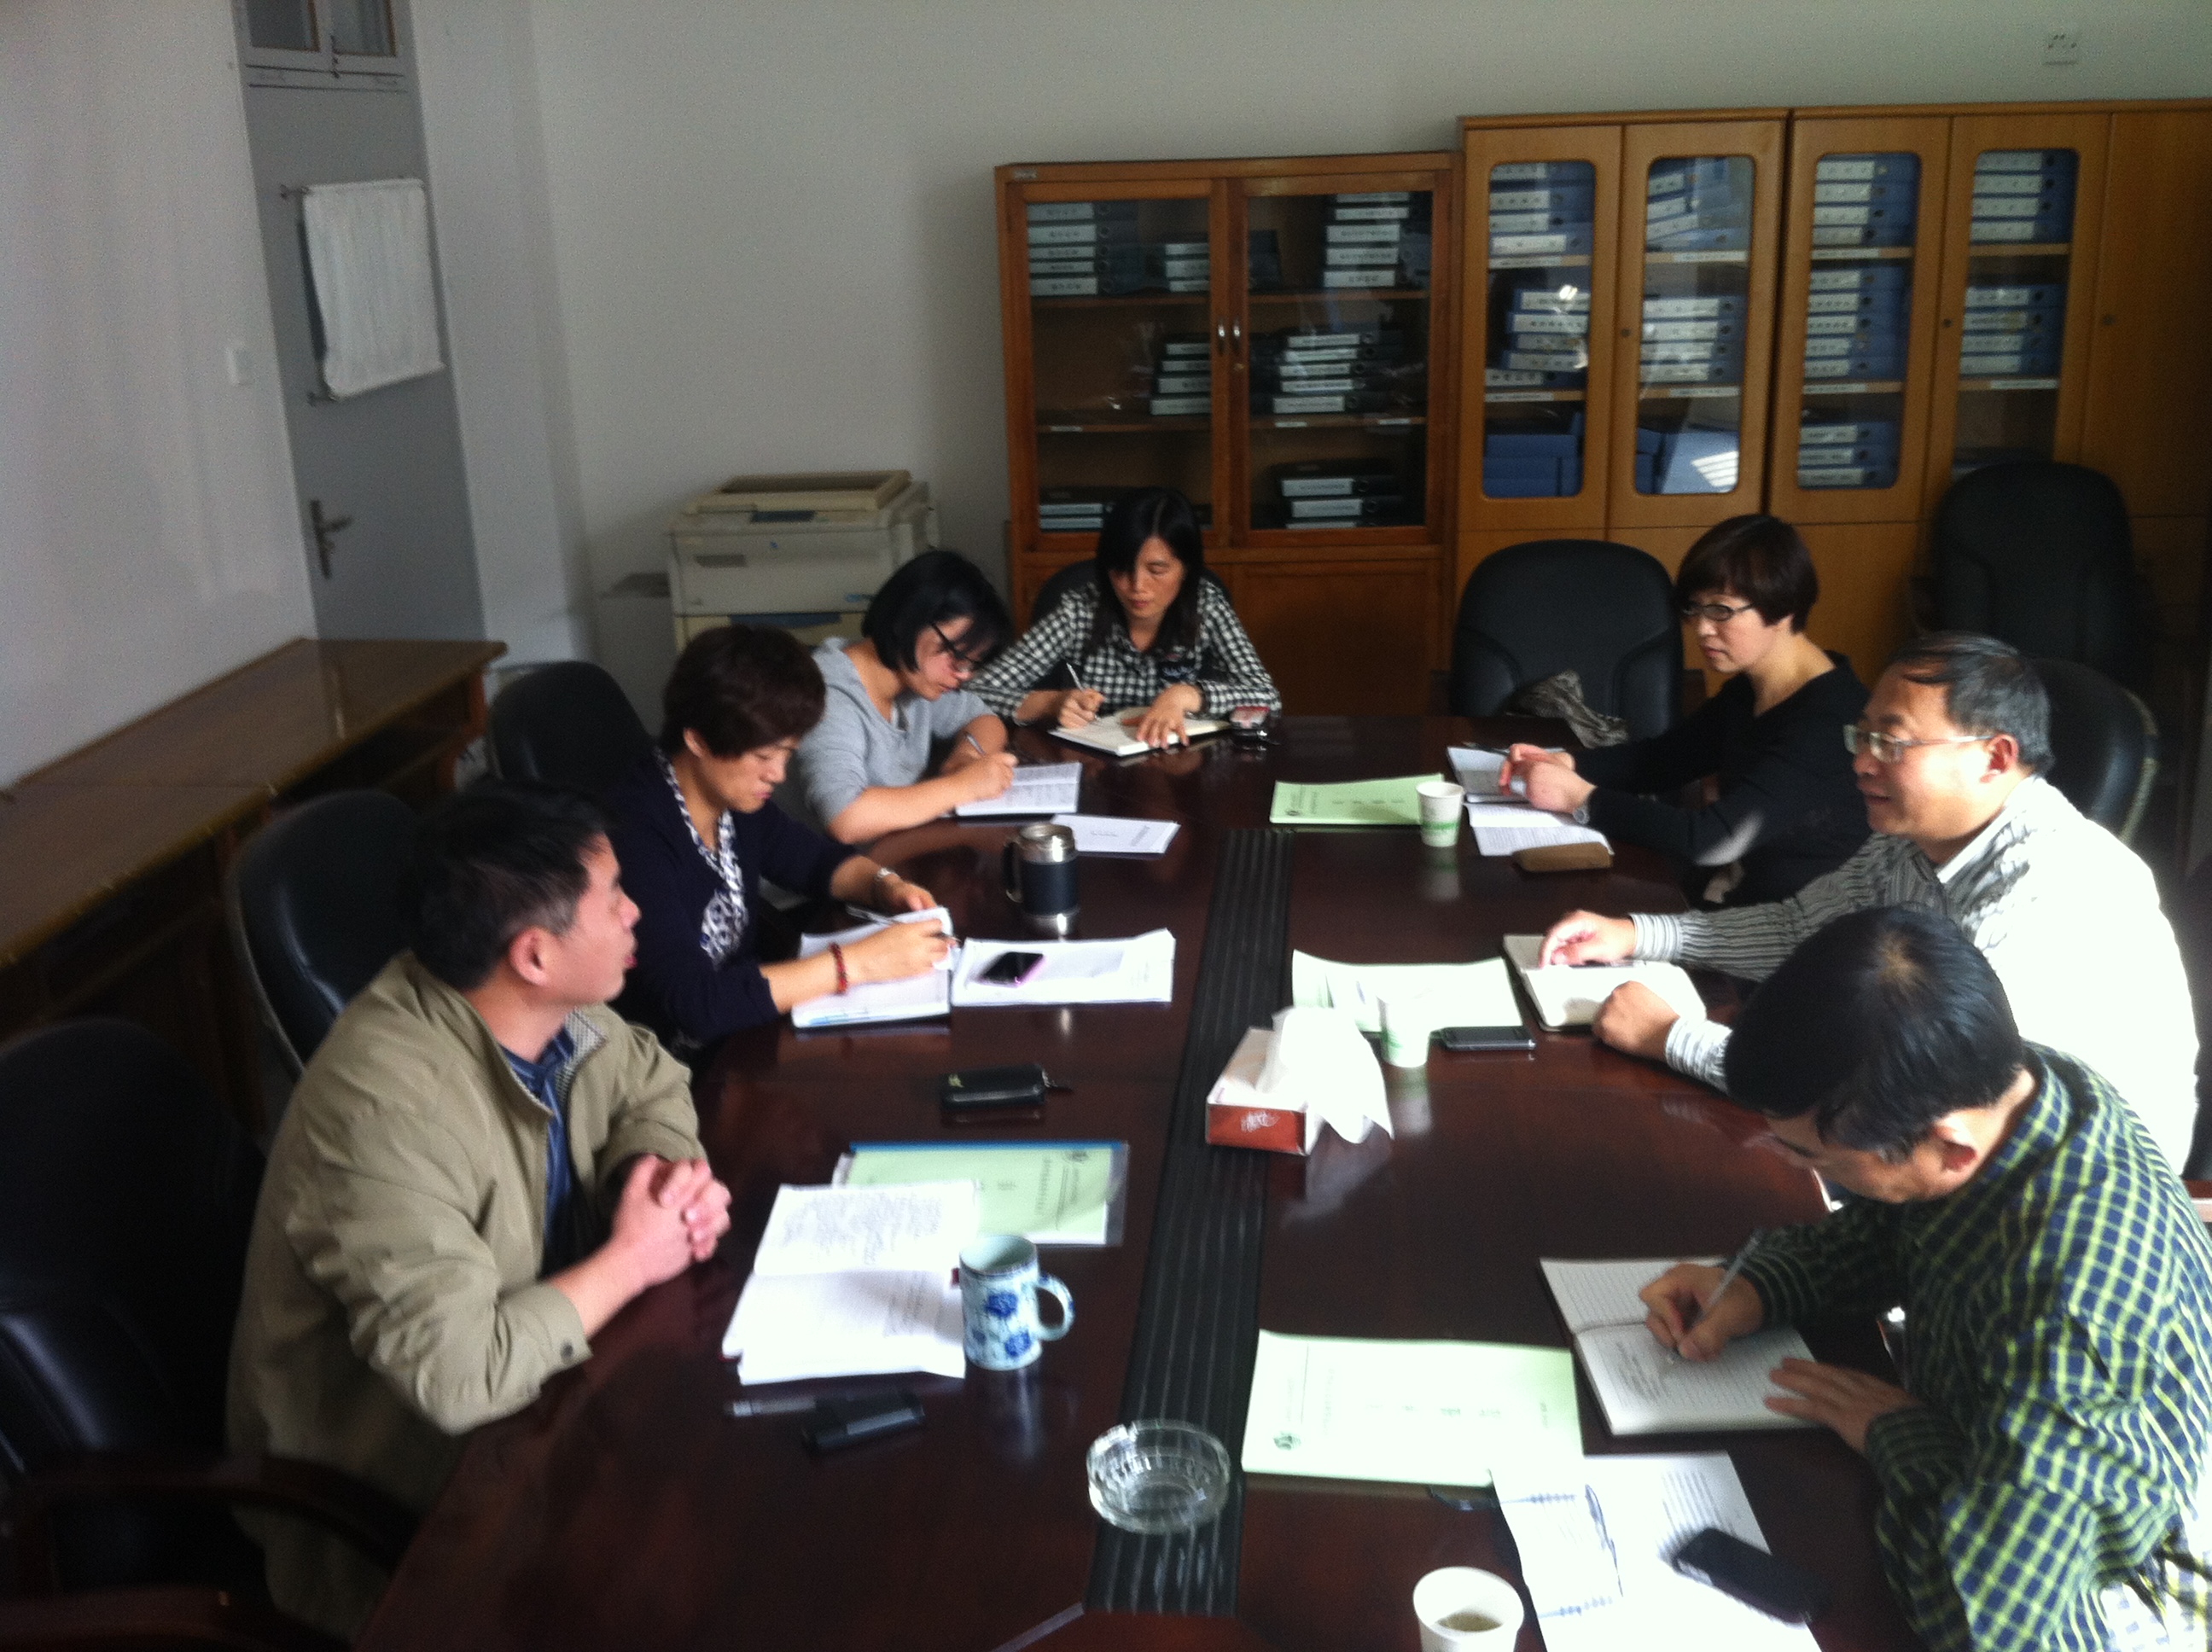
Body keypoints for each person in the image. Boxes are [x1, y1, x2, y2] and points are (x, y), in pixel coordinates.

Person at [228, 783, 736, 1638]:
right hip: (416, 1516)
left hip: (552, 1415)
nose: (636, 911)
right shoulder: (388, 1112)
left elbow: (650, 1078)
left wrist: (652, 1177)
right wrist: (634, 1258)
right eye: (614, 896)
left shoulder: (551, 1009)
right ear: (534, 954)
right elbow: (460, 1376)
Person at [1639, 905, 2212, 1652]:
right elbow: (1895, 1227)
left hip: (2130, 1577)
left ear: (1950, 1148)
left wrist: (1902, 1437)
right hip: (2005, 1453)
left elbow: (1987, 1626)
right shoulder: (2008, 1086)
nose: (1797, 1168)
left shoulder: (2074, 1317)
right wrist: (1756, 1286)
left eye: (1812, 1160)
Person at [1539, 631, 2198, 1166]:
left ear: (1995, 758)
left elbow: (1918, 1087)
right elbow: (1802, 926)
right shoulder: (1913, 839)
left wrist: (1672, 1037)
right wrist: (1640, 934)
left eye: (1893, 741)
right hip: (1944, 1140)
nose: (1862, 760)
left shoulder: (2051, 887)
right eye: (1863, 736)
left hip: (2074, 1185)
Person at [605, 625, 951, 1052]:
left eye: (787, 753)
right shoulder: (634, 833)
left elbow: (815, 861)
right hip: (669, 1061)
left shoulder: (730, 798)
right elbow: (694, 1002)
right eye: (764, 756)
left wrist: (885, 886)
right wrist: (859, 964)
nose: (778, 774)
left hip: (741, 1031)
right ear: (697, 739)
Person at [1499, 514, 1868, 906]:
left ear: (1784, 608)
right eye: (1695, 609)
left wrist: (1581, 799)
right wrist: (1565, 762)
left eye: (1721, 610)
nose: (1702, 629)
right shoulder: (1751, 689)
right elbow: (1662, 760)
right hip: (1747, 900)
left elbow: (1711, 839)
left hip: (1802, 922)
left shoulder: (1830, 719)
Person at [970, 486, 1279, 748]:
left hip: (1183, 766)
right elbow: (975, 693)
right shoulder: (1079, 610)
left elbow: (1267, 696)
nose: (1137, 586)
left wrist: (1186, 695)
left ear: (1186, 569)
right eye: (1122, 569)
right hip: (1097, 769)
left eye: (1157, 570)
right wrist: (1049, 703)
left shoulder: (1206, 605)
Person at [783, 549, 1019, 841]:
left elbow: (983, 718)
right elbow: (845, 818)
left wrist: (966, 756)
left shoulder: (913, 678)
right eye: (957, 656)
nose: (964, 675)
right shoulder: (828, 693)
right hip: (830, 863)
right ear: (908, 620)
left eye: (972, 664)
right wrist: (963, 786)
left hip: (892, 850)